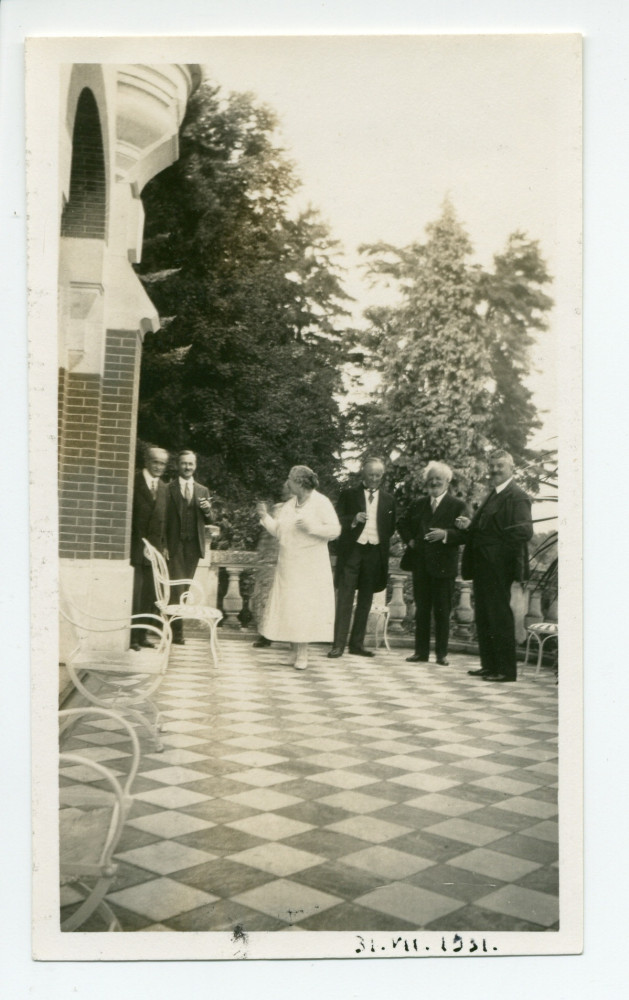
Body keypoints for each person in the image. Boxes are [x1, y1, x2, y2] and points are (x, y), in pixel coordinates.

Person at [453, 449, 533, 683]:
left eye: (500, 466)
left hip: (499, 568)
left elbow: (524, 531)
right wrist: (470, 525)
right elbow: (488, 528)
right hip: (483, 566)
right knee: (485, 616)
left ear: (511, 468)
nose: (495, 470)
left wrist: (496, 552)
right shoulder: (493, 494)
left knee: (499, 616)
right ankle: (489, 665)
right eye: (493, 465)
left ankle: (506, 671)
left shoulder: (517, 496)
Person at [256, 465, 340, 671]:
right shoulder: (289, 505)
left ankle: (303, 654)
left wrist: (312, 527)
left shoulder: (321, 502)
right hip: (289, 566)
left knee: (303, 608)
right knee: (290, 607)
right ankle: (293, 651)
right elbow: (279, 531)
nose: (287, 482)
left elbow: (335, 530)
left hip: (310, 567)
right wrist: (265, 516)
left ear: (300, 482)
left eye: (290, 479)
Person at [397, 461, 467, 666]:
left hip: (444, 566)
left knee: (443, 611)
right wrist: (410, 540)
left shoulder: (457, 505)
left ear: (448, 480)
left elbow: (466, 533)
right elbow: (401, 522)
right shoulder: (418, 503)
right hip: (421, 565)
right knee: (422, 609)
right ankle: (421, 653)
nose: (434, 482)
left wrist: (446, 534)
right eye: (431, 478)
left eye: (438, 478)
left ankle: (441, 654)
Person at [328, 457, 396, 658]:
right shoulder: (349, 494)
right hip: (353, 551)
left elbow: (390, 527)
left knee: (366, 599)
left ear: (382, 476)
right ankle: (338, 645)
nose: (374, 479)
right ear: (363, 475)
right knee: (345, 598)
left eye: (378, 475)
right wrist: (353, 520)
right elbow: (337, 520)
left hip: (374, 552)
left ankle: (356, 644)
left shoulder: (389, 499)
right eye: (371, 475)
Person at [165, 450, 215, 644]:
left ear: (195, 466)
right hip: (174, 545)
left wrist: (208, 510)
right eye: (184, 463)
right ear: (178, 465)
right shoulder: (169, 488)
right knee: (176, 589)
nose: (187, 467)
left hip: (193, 547)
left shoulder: (203, 490)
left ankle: (172, 629)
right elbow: (163, 520)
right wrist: (163, 545)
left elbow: (210, 519)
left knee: (184, 589)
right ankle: (176, 633)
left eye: (190, 464)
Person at [130, 445, 169, 649]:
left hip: (153, 552)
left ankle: (142, 634)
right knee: (135, 594)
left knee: (149, 595)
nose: (159, 467)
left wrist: (162, 547)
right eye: (156, 462)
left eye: (163, 463)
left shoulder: (163, 487)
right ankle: (131, 637)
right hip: (135, 548)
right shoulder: (133, 481)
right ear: (146, 461)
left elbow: (164, 522)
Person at [250, 481, 292, 648]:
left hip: (289, 560)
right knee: (266, 597)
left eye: (286, 489)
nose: (283, 492)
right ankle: (266, 635)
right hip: (270, 560)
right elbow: (268, 533)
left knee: (288, 599)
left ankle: (292, 637)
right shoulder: (278, 508)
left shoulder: (300, 509)